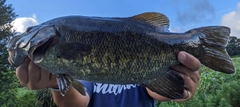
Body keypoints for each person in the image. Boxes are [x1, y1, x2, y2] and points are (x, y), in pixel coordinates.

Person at [15, 51, 200, 107]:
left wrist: (179, 85)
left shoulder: (145, 63)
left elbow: (155, 91)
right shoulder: (80, 67)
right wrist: (56, 84)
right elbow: (79, 102)